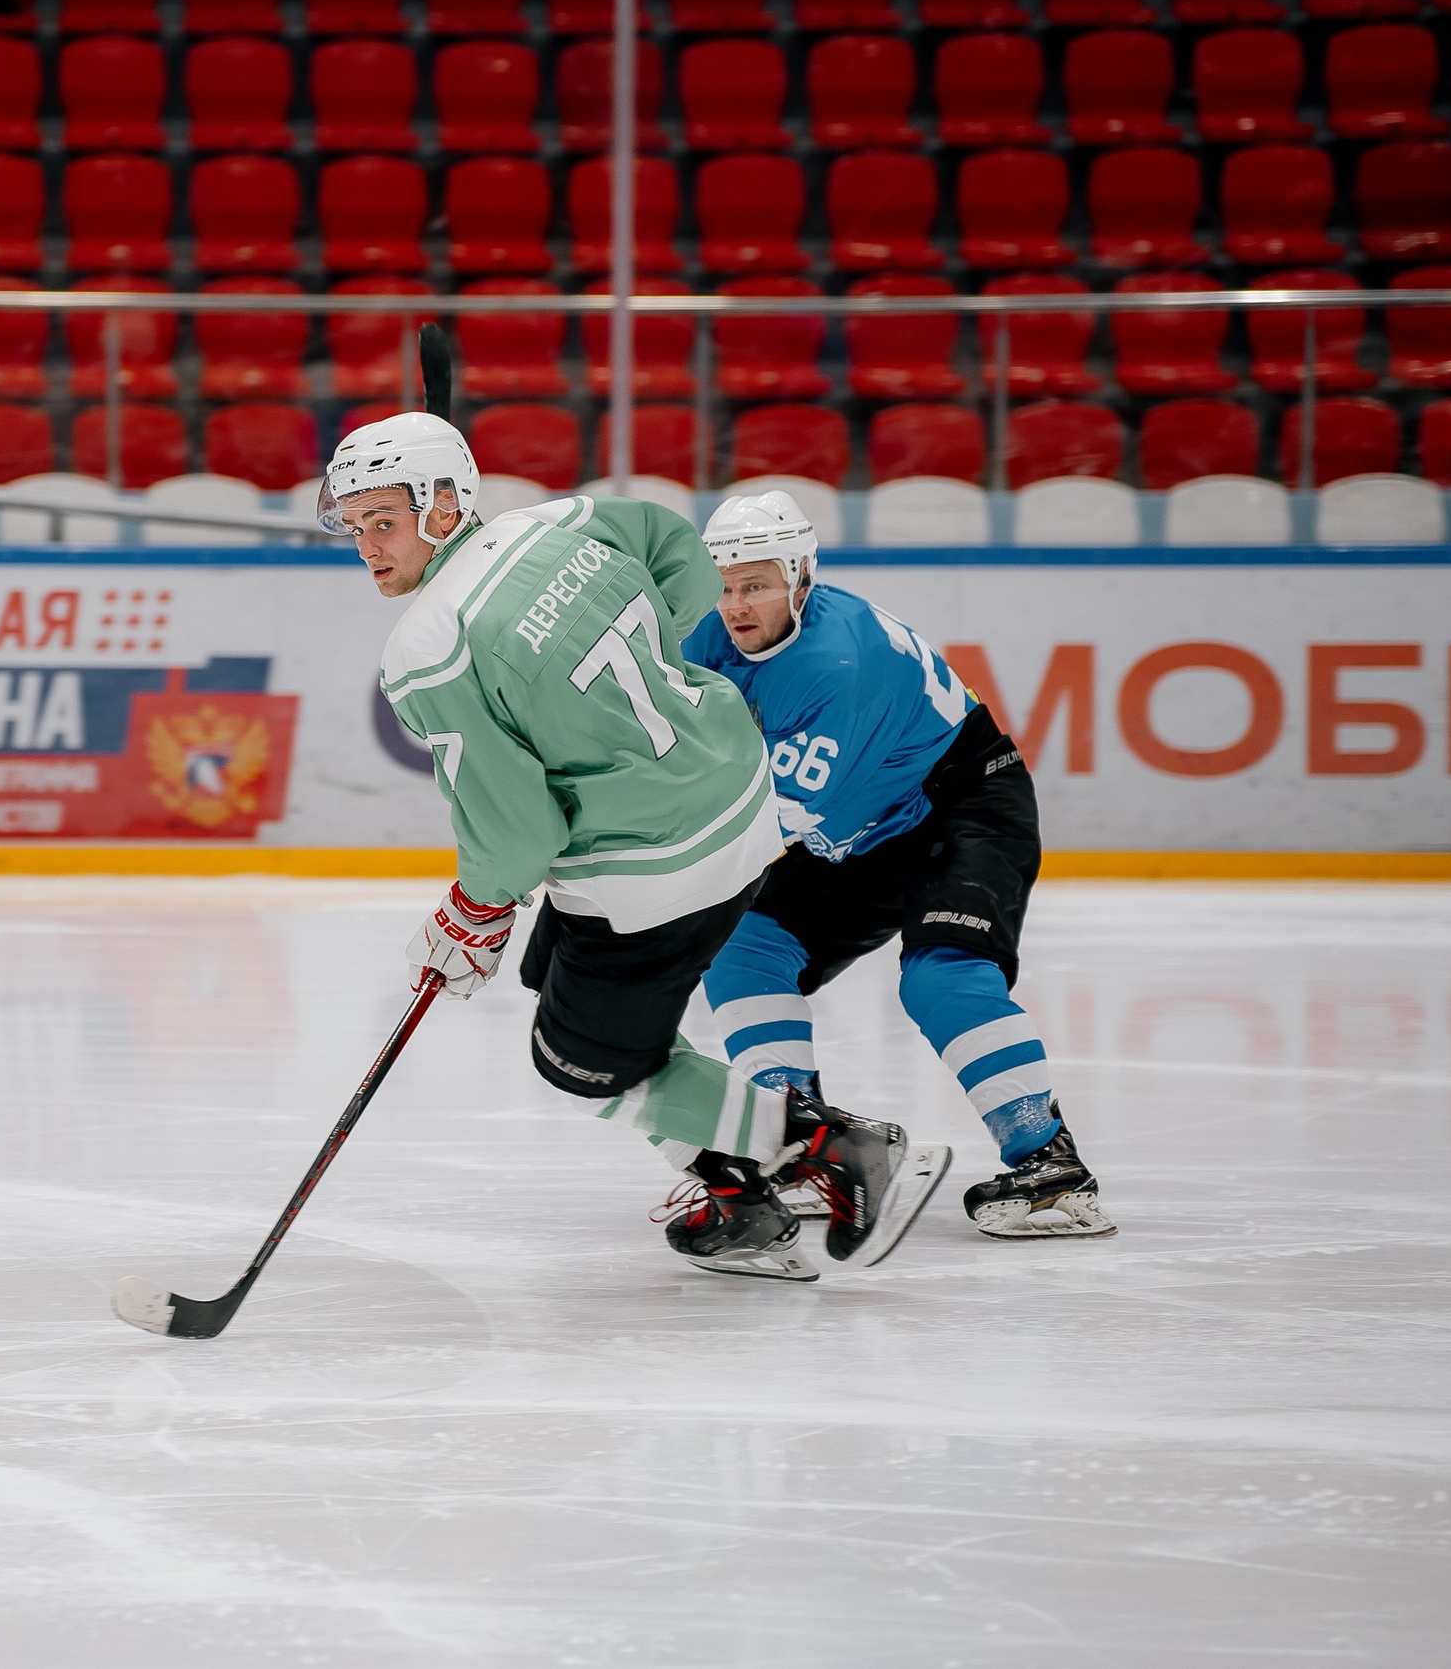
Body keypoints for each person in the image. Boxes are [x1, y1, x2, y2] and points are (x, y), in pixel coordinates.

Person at [331, 412, 951, 1282]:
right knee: (560, 978)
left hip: (654, 868)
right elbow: (671, 541)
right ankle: (736, 1200)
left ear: (443, 507)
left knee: (580, 1060)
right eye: (353, 525)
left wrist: (471, 912)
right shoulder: (561, 522)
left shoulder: (428, 651)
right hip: (741, 799)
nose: (366, 544)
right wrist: (668, 662)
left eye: (383, 520)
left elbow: (519, 833)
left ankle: (832, 1145)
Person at [679, 490, 1114, 1239]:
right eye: (723, 586)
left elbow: (768, 823)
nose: (736, 605)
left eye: (756, 585)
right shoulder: (708, 639)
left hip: (958, 806)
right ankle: (799, 1148)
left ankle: (1050, 1165)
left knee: (943, 975)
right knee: (743, 951)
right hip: (854, 827)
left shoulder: (841, 662)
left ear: (801, 577)